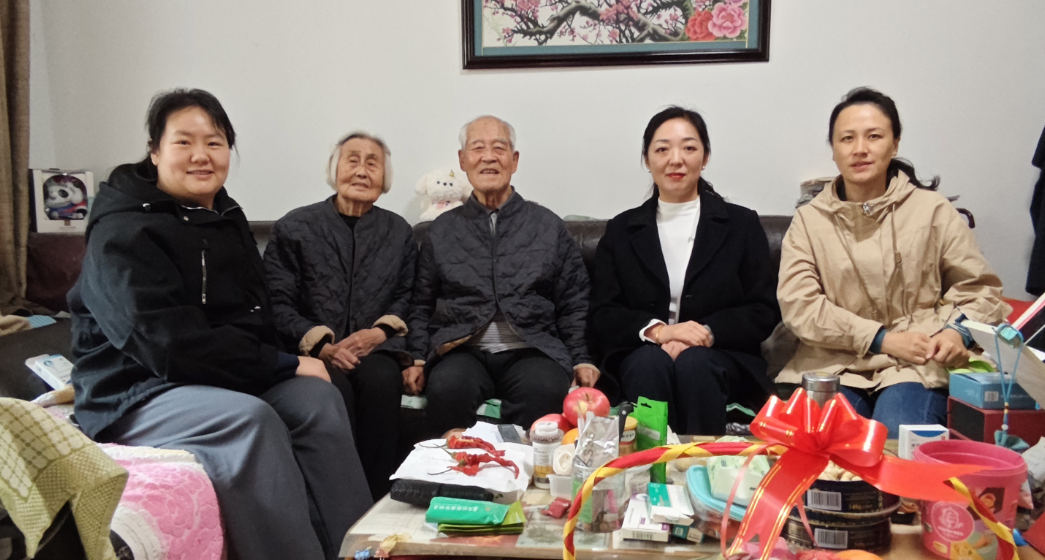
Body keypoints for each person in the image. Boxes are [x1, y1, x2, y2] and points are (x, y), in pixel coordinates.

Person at [68, 89, 371, 560]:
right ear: (155, 151)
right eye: (183, 142)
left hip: (215, 378)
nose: (200, 156)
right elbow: (167, 345)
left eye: (214, 142)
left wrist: (295, 360)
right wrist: (285, 364)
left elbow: (258, 314)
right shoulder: (122, 232)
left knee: (317, 400)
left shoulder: (224, 216)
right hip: (138, 389)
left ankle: (362, 549)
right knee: (250, 420)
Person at [777, 87, 1010, 435]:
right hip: (834, 362)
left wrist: (955, 333)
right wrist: (881, 339)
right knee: (829, 439)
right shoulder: (809, 220)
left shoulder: (932, 210)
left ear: (895, 144)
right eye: (847, 139)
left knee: (898, 432)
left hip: (917, 362)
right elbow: (801, 306)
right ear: (834, 150)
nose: (860, 149)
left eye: (874, 136)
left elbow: (980, 290)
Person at [589, 106, 780, 435]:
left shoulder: (741, 224)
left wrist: (705, 332)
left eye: (689, 148)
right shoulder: (622, 230)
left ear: (705, 158)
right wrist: (660, 332)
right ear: (647, 160)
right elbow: (603, 313)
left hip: (722, 356)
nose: (675, 159)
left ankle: (700, 460)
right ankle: (652, 460)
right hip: (643, 354)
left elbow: (762, 309)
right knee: (649, 363)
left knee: (696, 364)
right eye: (662, 149)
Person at [408, 115, 599, 435]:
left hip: (533, 348)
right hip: (461, 349)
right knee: (448, 388)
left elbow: (574, 299)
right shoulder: (440, 230)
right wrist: (416, 357)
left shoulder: (547, 225)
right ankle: (456, 467)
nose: (488, 157)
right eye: (477, 148)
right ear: (463, 160)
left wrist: (581, 358)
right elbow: (420, 302)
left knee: (543, 391)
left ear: (514, 160)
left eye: (499, 148)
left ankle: (523, 465)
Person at [264, 131, 416, 500]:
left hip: (376, 350)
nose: (362, 171)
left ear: (384, 178)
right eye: (353, 160)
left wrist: (380, 333)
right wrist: (321, 344)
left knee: (382, 381)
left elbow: (408, 295)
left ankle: (379, 497)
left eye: (372, 163)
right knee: (334, 387)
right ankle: (337, 498)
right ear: (334, 169)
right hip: (313, 352)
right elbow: (276, 301)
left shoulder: (398, 232)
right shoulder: (295, 227)